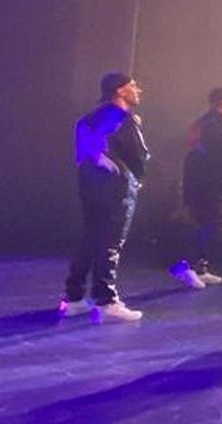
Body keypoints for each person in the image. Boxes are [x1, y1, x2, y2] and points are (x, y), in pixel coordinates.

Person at [59, 73, 150, 323]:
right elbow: (140, 155)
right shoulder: (124, 119)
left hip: (90, 184)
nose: (138, 90)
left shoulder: (86, 120)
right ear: (119, 90)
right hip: (117, 187)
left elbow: (82, 155)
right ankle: (106, 301)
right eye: (133, 86)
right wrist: (136, 180)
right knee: (111, 242)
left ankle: (73, 297)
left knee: (90, 238)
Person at [169, 86, 222, 289]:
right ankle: (187, 264)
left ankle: (199, 267)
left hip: (198, 180)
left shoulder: (203, 122)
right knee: (214, 223)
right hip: (213, 183)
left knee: (202, 221)